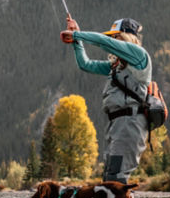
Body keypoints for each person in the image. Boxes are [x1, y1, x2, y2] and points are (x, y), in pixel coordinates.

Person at [60, 17, 151, 184]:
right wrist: (76, 40)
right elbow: (85, 64)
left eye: (116, 36)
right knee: (111, 178)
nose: (112, 40)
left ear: (127, 37)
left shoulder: (139, 56)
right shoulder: (116, 66)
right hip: (116, 124)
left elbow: (104, 43)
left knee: (115, 178)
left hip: (129, 123)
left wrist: (78, 34)